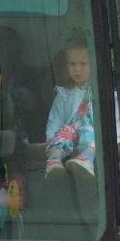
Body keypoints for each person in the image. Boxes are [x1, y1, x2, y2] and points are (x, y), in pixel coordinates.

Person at [44, 41, 97, 176]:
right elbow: (55, 121)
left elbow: (115, 124)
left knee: (94, 134)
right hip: (71, 139)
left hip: (93, 140)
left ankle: (86, 159)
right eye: (72, 64)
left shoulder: (103, 92)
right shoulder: (64, 95)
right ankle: (54, 162)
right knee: (63, 133)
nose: (77, 69)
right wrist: (53, 139)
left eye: (83, 64)